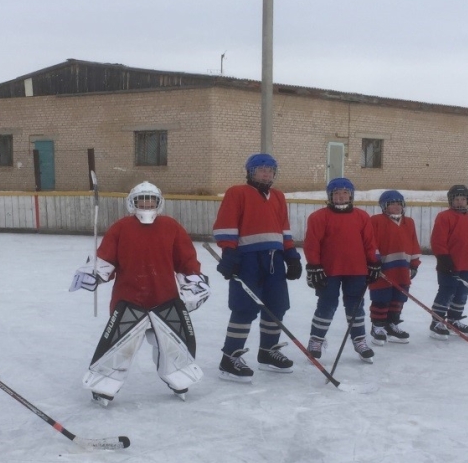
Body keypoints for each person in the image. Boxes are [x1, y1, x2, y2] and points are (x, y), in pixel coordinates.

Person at [71, 181, 210, 406]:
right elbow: (105, 258)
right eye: (141, 200)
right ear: (132, 203)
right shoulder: (121, 227)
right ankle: (103, 386)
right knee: (119, 347)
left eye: (151, 199)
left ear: (159, 202)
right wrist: (94, 272)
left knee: (173, 345)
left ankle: (179, 378)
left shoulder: (171, 227)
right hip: (129, 300)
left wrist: (193, 281)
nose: (146, 204)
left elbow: (186, 260)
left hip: (165, 299)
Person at [212, 153, 302, 381]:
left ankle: (268, 351)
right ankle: (229, 357)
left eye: (270, 170)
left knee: (276, 306)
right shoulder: (237, 193)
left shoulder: (279, 197)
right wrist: (229, 253)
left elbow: (284, 229)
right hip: (247, 260)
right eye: (262, 169)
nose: (266, 173)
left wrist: (291, 255)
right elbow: (226, 224)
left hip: (275, 260)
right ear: (251, 171)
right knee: (244, 307)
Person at [303, 177, 381, 363]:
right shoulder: (318, 217)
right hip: (329, 270)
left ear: (351, 195)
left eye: (345, 193)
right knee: (327, 305)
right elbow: (312, 244)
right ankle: (316, 340)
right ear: (330, 196)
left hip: (357, 270)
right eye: (337, 193)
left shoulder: (362, 216)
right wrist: (313, 265)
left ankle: (359, 340)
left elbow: (370, 243)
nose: (341, 196)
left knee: (355, 307)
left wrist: (374, 262)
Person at [429, 184, 468, 339]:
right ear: (451, 201)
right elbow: (438, 241)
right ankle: (437, 321)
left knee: (462, 293)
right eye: (457, 200)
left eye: (463, 199)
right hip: (450, 264)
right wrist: (444, 259)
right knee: (447, 291)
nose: (460, 202)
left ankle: (454, 319)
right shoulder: (444, 217)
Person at [368, 190, 422, 345]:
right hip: (382, 269)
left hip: (402, 269)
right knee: (381, 297)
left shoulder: (409, 222)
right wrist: (374, 262)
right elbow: (371, 243)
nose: (397, 207)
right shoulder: (376, 221)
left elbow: (414, 244)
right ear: (384, 206)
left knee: (399, 297)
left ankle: (392, 324)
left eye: (399, 204)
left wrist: (414, 264)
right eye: (392, 204)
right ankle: (377, 326)